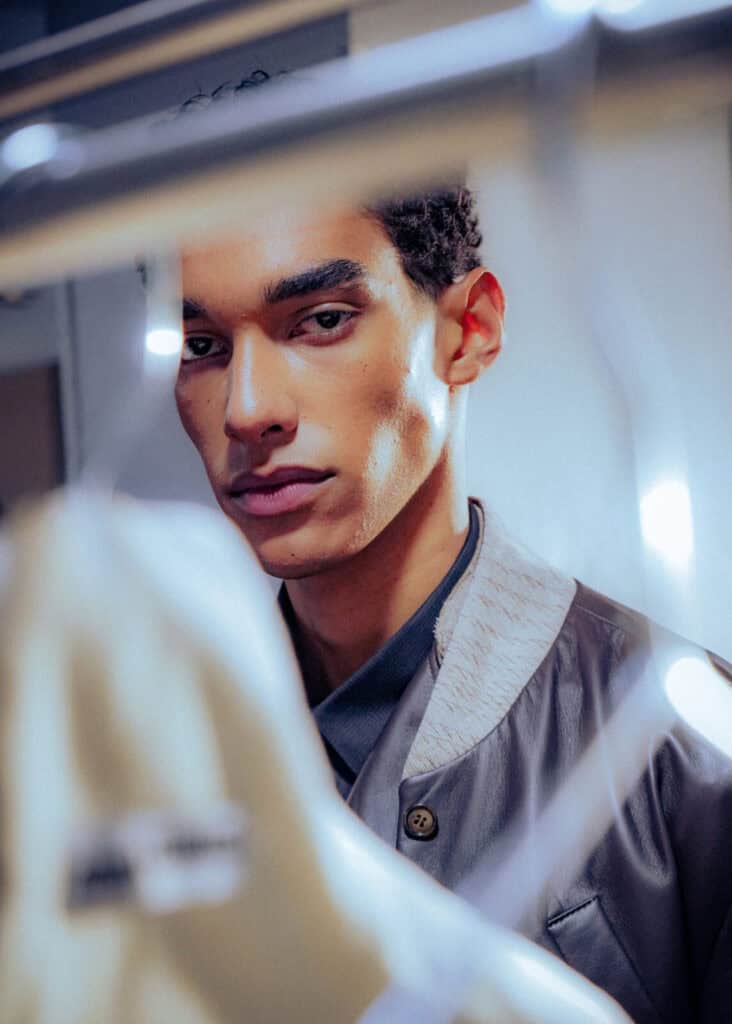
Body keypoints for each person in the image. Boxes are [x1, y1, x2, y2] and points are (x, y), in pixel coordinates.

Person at [171, 88, 732, 1024]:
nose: (246, 408)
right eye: (202, 344)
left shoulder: (689, 755)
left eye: (320, 320)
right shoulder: (147, 753)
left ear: (466, 330)